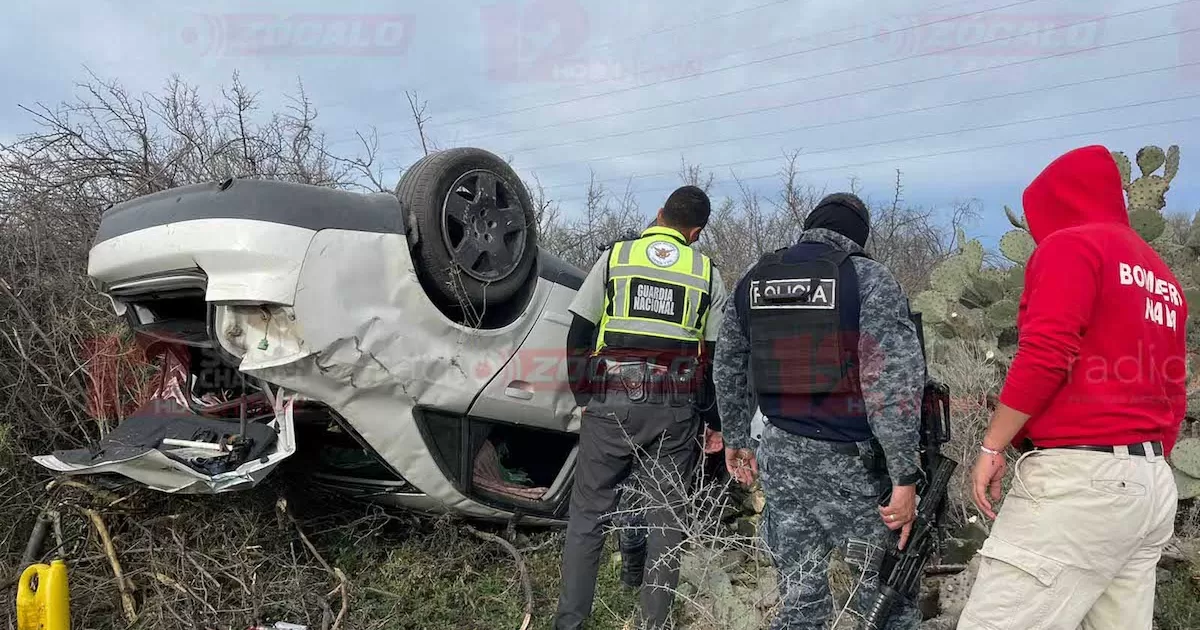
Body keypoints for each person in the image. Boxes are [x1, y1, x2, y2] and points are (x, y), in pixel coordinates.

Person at [958, 145, 1188, 629]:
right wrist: (1144, 463)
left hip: (1079, 487)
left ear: (1055, 202)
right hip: (1150, 485)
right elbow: (1173, 385)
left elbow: (1046, 352)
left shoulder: (1073, 245)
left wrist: (992, 444)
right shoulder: (1162, 277)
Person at [713, 192, 925, 630]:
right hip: (852, 467)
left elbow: (728, 364)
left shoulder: (755, 278)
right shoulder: (867, 278)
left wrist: (735, 437)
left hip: (780, 454)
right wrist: (905, 476)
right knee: (885, 601)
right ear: (859, 236)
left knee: (800, 602)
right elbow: (892, 384)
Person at [554, 185, 727, 630]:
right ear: (696, 231)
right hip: (675, 406)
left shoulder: (617, 257)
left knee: (589, 515)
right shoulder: (707, 272)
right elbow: (715, 359)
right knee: (667, 522)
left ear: (658, 214)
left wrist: (584, 396)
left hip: (611, 399)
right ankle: (655, 624)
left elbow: (579, 330)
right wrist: (712, 420)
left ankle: (570, 622)